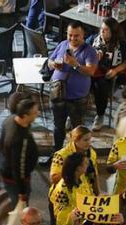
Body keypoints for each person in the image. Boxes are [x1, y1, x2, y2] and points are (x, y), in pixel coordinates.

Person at [0, 97, 39, 225]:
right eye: (34, 112)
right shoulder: (19, 139)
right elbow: (18, 167)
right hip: (15, 177)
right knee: (15, 203)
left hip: (5, 169)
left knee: (6, 191)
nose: (37, 114)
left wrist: (0, 160)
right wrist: (21, 191)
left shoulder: (10, 120)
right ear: (25, 116)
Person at [48, 22, 98, 151]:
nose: (72, 38)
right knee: (58, 127)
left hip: (77, 98)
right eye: (70, 35)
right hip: (58, 95)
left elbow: (91, 71)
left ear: (83, 35)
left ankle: (79, 156)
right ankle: (56, 154)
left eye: (76, 36)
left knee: (78, 131)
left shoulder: (89, 51)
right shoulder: (63, 44)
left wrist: (75, 64)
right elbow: (49, 60)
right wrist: (53, 64)